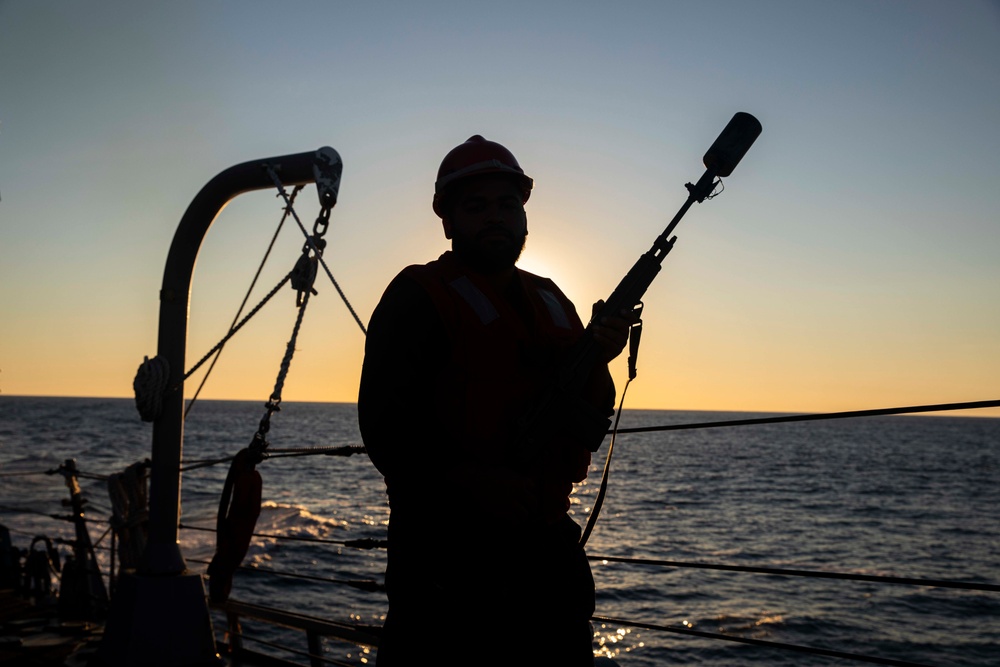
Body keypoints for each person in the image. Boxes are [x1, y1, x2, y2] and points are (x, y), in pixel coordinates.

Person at [358, 135, 635, 666]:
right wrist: (471, 483)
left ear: (524, 215)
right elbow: (387, 429)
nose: (496, 218)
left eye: (507, 205)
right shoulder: (418, 295)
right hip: (447, 557)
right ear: (448, 220)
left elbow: (591, 419)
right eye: (476, 206)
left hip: (547, 550)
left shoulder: (552, 296)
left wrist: (600, 355)